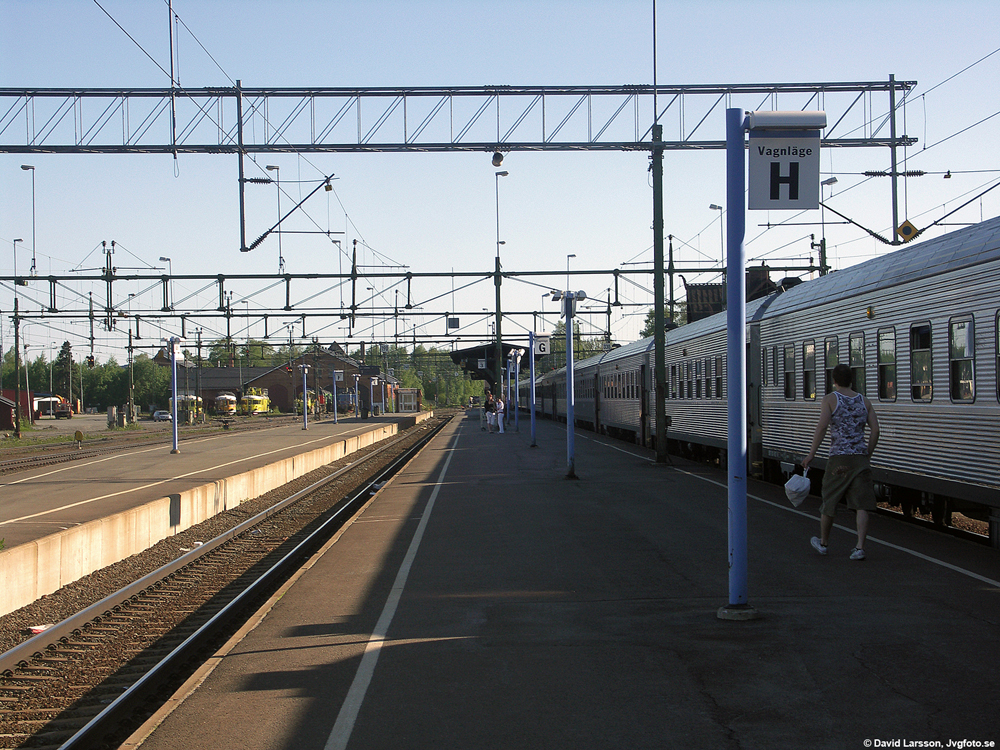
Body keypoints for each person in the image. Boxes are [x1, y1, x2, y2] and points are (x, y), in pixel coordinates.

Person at [802, 363, 880, 560]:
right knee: (861, 504)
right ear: (852, 379)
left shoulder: (830, 399)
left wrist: (811, 453)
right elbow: (876, 430)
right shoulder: (865, 401)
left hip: (839, 459)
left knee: (830, 500)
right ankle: (860, 547)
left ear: (834, 380)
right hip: (860, 459)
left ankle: (823, 543)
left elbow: (821, 427)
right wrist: (867, 454)